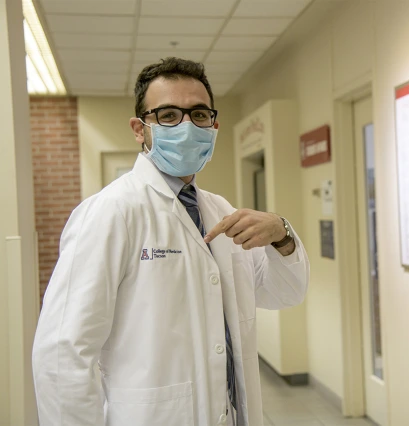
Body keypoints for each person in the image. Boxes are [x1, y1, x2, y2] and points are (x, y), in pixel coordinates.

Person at [32, 57, 309, 426]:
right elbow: (62, 353)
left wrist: (282, 234)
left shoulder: (219, 210)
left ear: (213, 124)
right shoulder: (110, 212)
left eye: (198, 115)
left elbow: (284, 293)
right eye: (167, 115)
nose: (186, 126)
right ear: (139, 128)